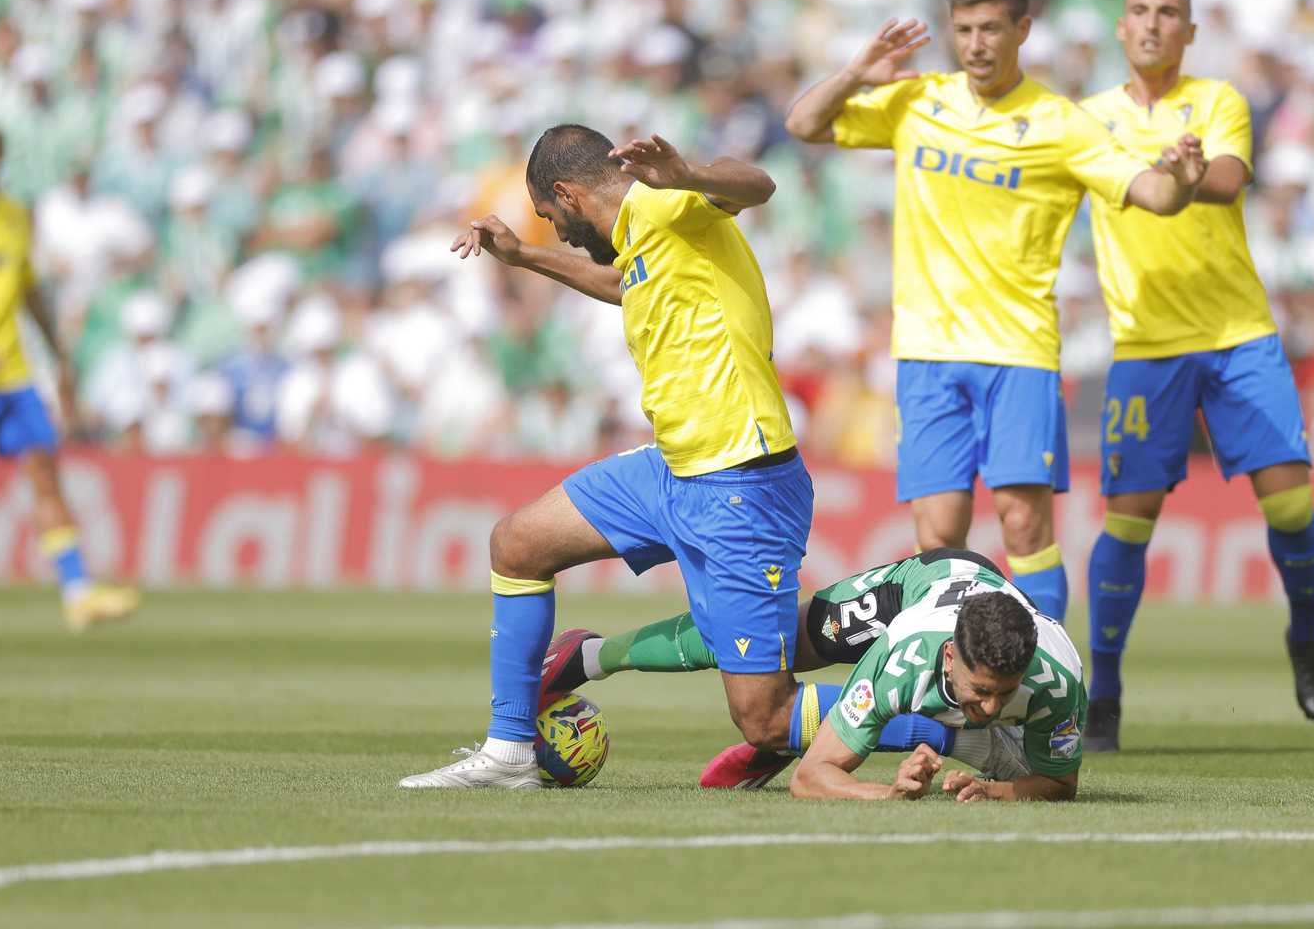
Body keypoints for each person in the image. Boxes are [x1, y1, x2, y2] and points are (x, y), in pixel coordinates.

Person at [783, 0, 1205, 624]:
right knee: (938, 535)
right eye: (963, 30)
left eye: (989, 29)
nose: (975, 44)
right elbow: (804, 123)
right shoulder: (918, 101)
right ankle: (948, 686)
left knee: (1022, 524)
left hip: (1017, 352)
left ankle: (1052, 680)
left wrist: (1179, 180)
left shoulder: (1060, 124)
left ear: (1023, 30)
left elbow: (1152, 193)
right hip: (926, 350)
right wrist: (854, 71)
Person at [399, 127, 814, 789]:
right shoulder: (646, 240)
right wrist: (525, 256)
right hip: (673, 468)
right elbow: (626, 283)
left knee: (764, 720)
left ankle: (961, 723)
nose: (557, 231)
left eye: (550, 217)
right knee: (516, 544)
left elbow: (758, 183)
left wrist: (689, 174)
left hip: (740, 478)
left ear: (567, 192)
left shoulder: (665, 201)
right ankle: (509, 752)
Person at [1076, 0, 1314, 751]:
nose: (1154, 24)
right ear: (1121, 27)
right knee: (1130, 521)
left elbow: (1225, 179)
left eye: (1171, 14)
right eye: (1142, 11)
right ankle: (1106, 693)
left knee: (1290, 502)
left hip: (1237, 333)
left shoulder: (1218, 101)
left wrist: (1191, 177)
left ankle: (1304, 633)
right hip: (1146, 345)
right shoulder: (1087, 120)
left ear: (1189, 32)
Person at [541, 549, 1048, 788]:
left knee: (768, 715)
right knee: (766, 645)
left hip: (958, 611)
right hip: (915, 589)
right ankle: (590, 654)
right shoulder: (907, 647)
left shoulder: (1047, 670)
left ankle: (789, 733)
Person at [0, 121, 139, 631]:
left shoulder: (18, 214)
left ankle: (78, 594)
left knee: (45, 473)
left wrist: (58, 354)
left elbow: (28, 288)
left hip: (13, 373)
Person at [792, 588, 1083, 802]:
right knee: (770, 699)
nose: (992, 708)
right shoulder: (898, 662)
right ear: (949, 658)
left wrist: (990, 791)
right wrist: (889, 793)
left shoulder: (1058, 684)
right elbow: (806, 779)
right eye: (980, 690)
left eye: (1007, 692)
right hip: (911, 587)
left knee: (1028, 770)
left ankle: (969, 737)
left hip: (988, 593)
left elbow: (1061, 784)